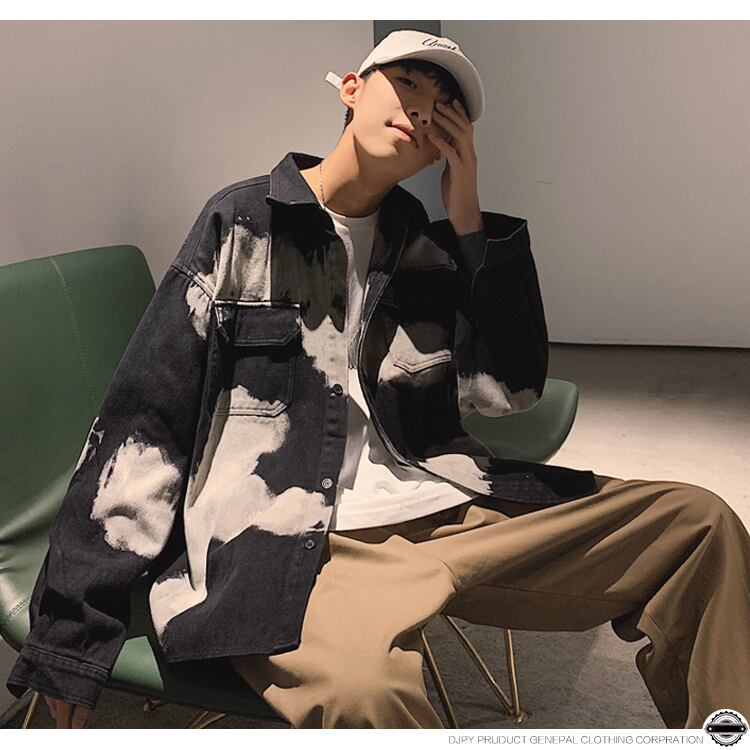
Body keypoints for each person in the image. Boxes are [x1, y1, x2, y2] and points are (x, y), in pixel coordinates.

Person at [7, 29, 750, 730]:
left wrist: (467, 217)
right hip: (301, 541)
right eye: (408, 85)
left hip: (447, 505)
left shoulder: (420, 247)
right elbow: (146, 422)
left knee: (699, 525)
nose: (422, 111)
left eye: (443, 108)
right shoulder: (244, 223)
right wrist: (71, 633)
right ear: (353, 89)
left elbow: (509, 392)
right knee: (367, 695)